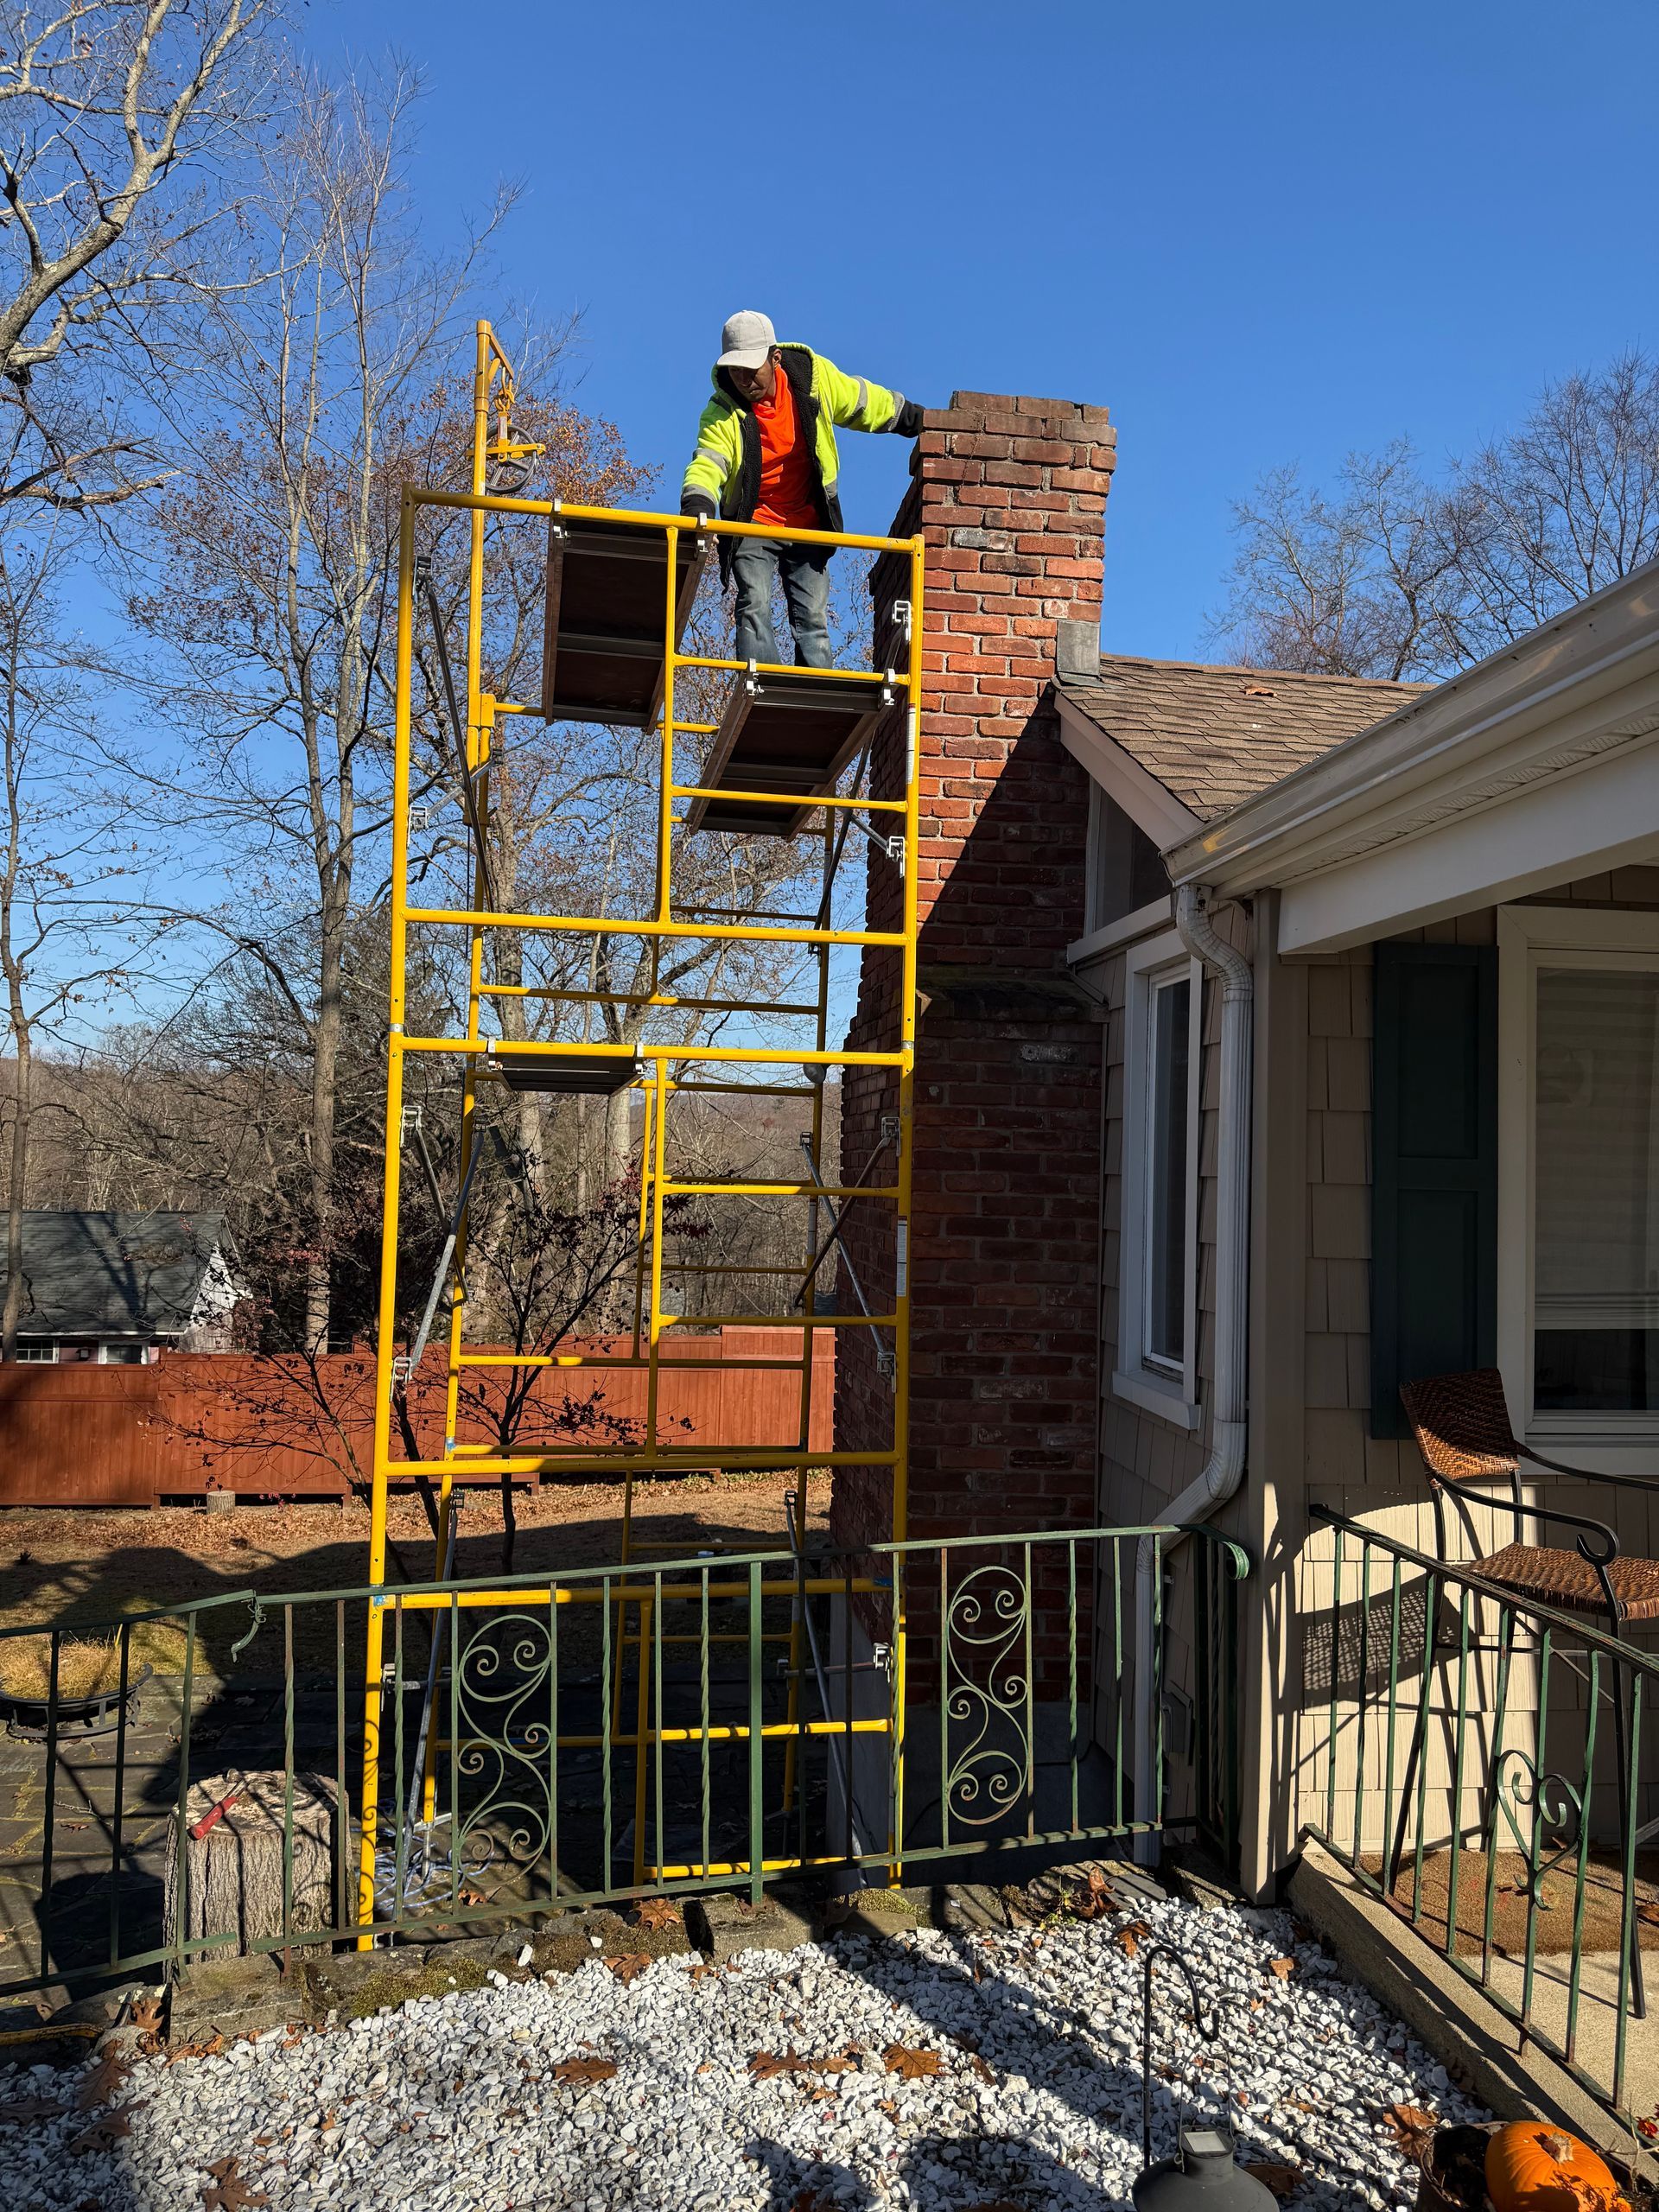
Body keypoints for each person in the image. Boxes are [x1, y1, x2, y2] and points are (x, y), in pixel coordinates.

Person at [680, 310, 925, 669]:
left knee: (812, 617)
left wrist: (916, 419)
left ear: (775, 358)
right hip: (755, 521)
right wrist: (697, 507)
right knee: (754, 601)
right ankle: (760, 680)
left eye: (752, 370)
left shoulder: (812, 379)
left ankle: (817, 688)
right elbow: (709, 461)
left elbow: (862, 401)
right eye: (736, 371)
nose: (745, 381)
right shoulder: (723, 411)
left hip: (808, 519)